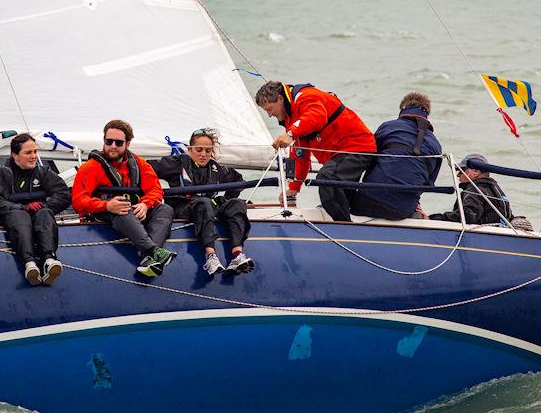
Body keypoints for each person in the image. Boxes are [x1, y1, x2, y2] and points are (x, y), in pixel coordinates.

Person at [255, 80, 377, 221]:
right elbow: (301, 153)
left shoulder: (305, 96)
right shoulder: (292, 117)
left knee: (327, 179)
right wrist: (294, 187)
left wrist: (290, 134)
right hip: (342, 155)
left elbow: (317, 116)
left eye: (269, 109)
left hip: (357, 147)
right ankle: (355, 222)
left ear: (280, 99)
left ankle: (344, 228)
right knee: (339, 195)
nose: (270, 115)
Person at [71, 119, 176, 277]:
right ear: (104, 141)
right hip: (102, 214)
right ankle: (153, 251)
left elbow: (155, 189)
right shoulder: (90, 168)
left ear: (127, 144)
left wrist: (145, 205)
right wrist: (106, 206)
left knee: (165, 209)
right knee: (122, 207)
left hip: (132, 212)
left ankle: (149, 258)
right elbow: (78, 201)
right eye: (109, 141)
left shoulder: (140, 164)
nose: (113, 146)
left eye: (118, 142)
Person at [151, 128, 253, 276]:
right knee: (205, 203)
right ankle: (211, 256)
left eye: (207, 150)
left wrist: (225, 199)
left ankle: (237, 254)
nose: (203, 154)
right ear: (190, 149)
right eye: (199, 150)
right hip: (184, 207)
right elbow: (146, 169)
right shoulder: (175, 164)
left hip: (208, 207)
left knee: (237, 204)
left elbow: (238, 180)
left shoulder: (217, 169)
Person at [0, 133, 71, 285]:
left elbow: (63, 194)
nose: (34, 156)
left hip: (38, 217)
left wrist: (43, 206)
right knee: (19, 215)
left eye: (35, 152)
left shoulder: (43, 172)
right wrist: (23, 207)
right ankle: (29, 263)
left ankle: (49, 259)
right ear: (14, 155)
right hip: (12, 218)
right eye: (28, 152)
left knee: (44, 212)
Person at [351, 92, 443, 220]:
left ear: (404, 108)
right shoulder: (436, 145)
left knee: (341, 195)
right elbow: (428, 183)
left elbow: (365, 158)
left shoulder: (388, 126)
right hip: (402, 210)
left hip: (369, 201)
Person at [429, 154, 513, 224]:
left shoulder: (474, 190)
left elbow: (468, 216)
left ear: (475, 172)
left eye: (461, 171)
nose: (458, 175)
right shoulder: (495, 189)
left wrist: (433, 219)